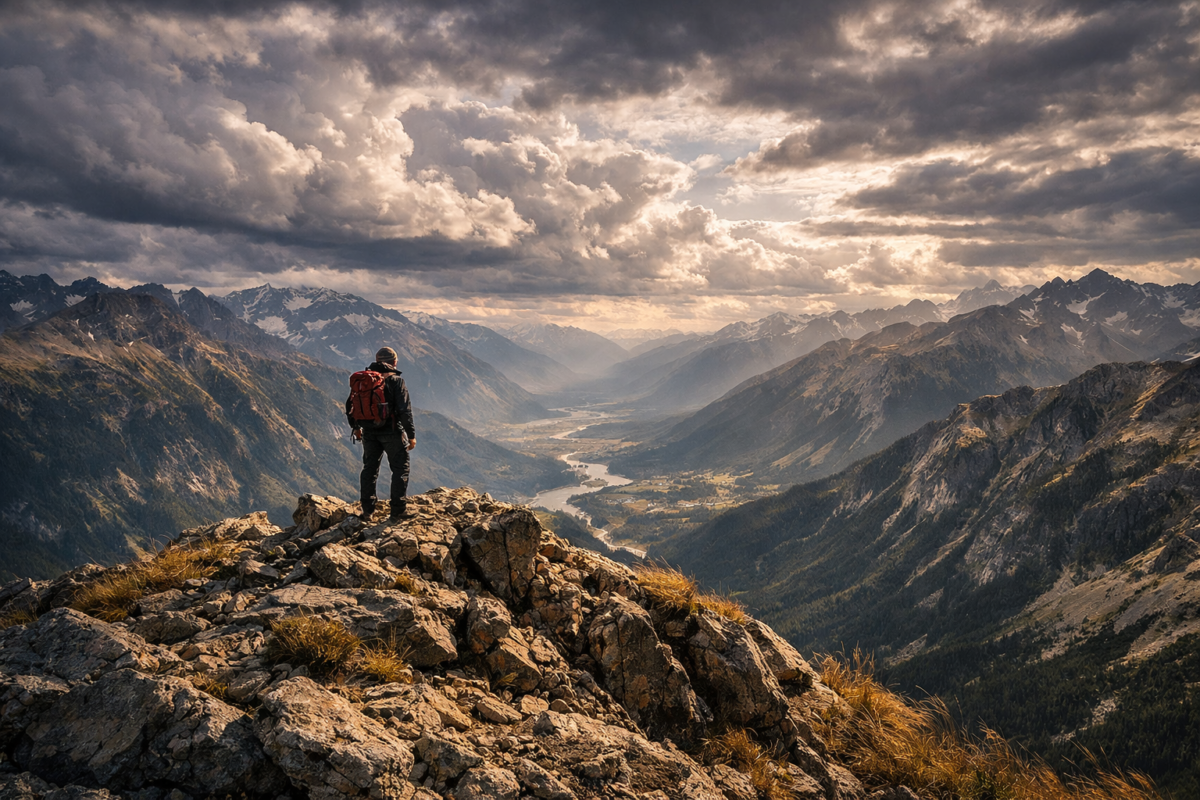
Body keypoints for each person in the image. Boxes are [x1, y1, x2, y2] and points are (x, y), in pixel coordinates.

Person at [346, 346, 416, 522]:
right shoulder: (396, 381)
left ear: (377, 360)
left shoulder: (364, 379)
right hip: (392, 431)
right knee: (400, 468)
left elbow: (351, 405)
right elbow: (404, 411)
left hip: (369, 432)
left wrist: (356, 427)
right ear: (394, 362)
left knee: (370, 469)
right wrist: (411, 435)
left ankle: (367, 512)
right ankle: (398, 510)